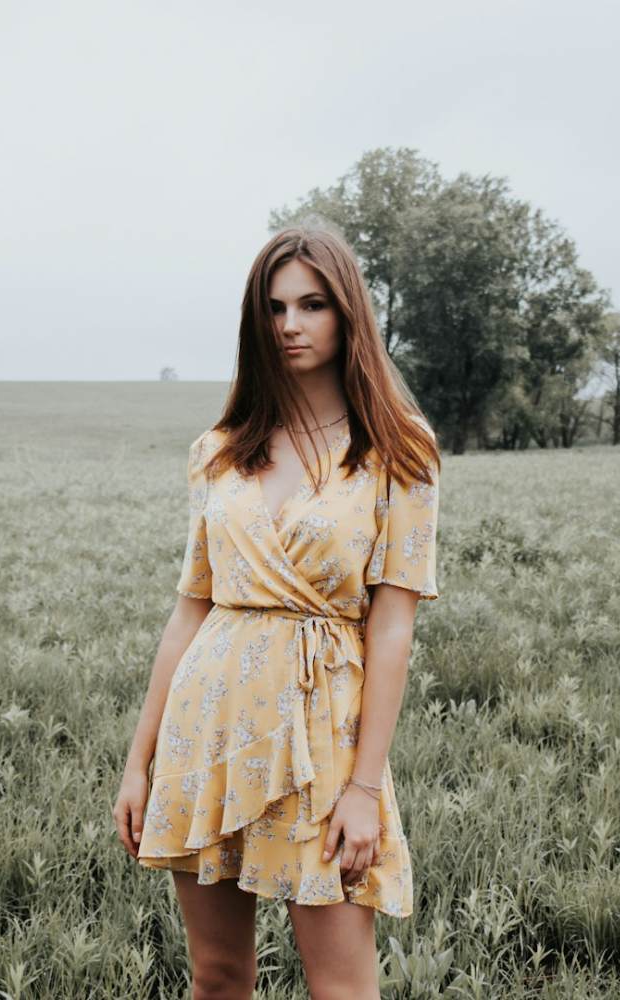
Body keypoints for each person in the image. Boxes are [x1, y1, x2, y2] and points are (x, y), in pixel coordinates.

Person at [112, 224, 442, 998]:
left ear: (348, 313)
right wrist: (139, 761)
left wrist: (363, 788)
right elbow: (191, 611)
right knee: (218, 979)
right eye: (274, 307)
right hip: (210, 726)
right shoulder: (219, 450)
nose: (289, 324)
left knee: (342, 987)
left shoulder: (400, 449)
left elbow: (392, 626)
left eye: (312, 304)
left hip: (325, 735)